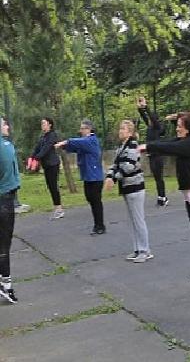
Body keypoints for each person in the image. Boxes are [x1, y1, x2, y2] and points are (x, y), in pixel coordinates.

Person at [141, 113, 190, 282]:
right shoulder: (185, 141)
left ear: (188, 128)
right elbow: (167, 143)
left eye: (180, 125)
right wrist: (146, 146)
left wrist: (149, 147)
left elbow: (169, 148)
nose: (177, 128)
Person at [104, 120, 152, 263]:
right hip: (127, 188)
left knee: (138, 220)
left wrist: (114, 179)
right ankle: (137, 249)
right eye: (120, 128)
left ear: (130, 132)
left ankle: (145, 250)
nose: (120, 131)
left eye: (123, 129)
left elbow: (128, 166)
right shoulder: (121, 147)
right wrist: (109, 176)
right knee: (132, 220)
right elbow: (116, 164)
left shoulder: (133, 145)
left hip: (135, 187)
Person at [55, 120, 106, 235]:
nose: (80, 130)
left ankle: (100, 225)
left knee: (96, 201)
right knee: (90, 199)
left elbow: (77, 142)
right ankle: (97, 224)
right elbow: (74, 147)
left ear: (89, 129)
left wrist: (66, 142)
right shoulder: (84, 143)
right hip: (88, 177)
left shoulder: (91, 141)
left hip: (95, 177)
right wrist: (64, 146)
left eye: (82, 128)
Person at [0, 117, 19, 303]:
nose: (7, 126)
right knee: (4, 245)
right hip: (4, 199)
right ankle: (6, 285)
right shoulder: (6, 147)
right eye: (4, 124)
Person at [29, 117, 64, 220]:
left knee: (53, 186)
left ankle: (59, 210)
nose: (42, 125)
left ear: (50, 125)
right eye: (41, 123)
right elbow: (37, 148)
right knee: (50, 186)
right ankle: (57, 208)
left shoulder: (52, 135)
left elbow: (46, 149)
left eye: (44, 123)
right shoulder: (43, 136)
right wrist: (31, 157)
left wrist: (36, 158)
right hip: (47, 165)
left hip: (53, 164)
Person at [137, 97, 168, 207]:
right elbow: (144, 117)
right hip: (151, 155)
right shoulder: (150, 127)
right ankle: (161, 196)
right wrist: (140, 108)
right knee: (156, 177)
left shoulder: (158, 127)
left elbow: (151, 118)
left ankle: (163, 197)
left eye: (151, 119)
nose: (149, 121)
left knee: (159, 177)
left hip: (158, 155)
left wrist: (146, 107)